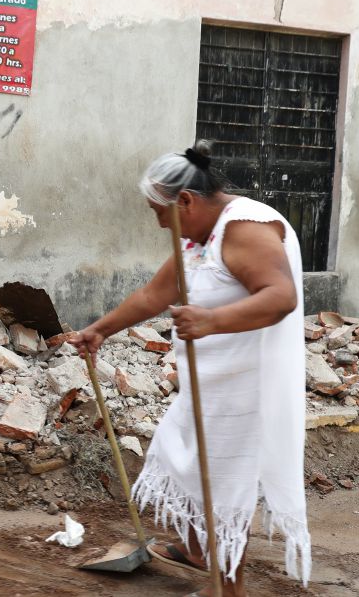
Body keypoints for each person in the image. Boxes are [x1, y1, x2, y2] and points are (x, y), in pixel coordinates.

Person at [69, 140, 311, 597]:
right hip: (208, 383)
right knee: (181, 456)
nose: (159, 222)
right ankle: (201, 552)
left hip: (245, 387)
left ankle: (229, 588)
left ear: (185, 201)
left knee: (222, 484)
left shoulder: (246, 230)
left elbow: (281, 297)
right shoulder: (201, 235)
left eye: (159, 211)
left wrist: (210, 320)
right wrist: (101, 329)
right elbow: (154, 295)